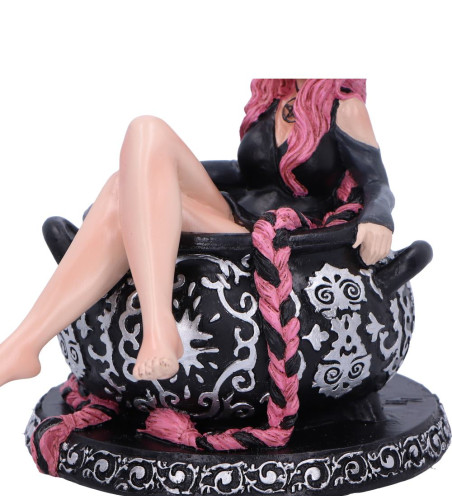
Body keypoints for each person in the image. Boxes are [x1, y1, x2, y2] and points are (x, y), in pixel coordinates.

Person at [0, 78, 393, 388]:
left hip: (270, 235)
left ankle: (145, 329)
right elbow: (247, 174)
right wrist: (155, 170)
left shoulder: (345, 109)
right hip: (232, 211)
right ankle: (22, 347)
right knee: (143, 135)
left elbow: (377, 182)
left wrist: (380, 219)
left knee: (123, 191)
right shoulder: (273, 102)